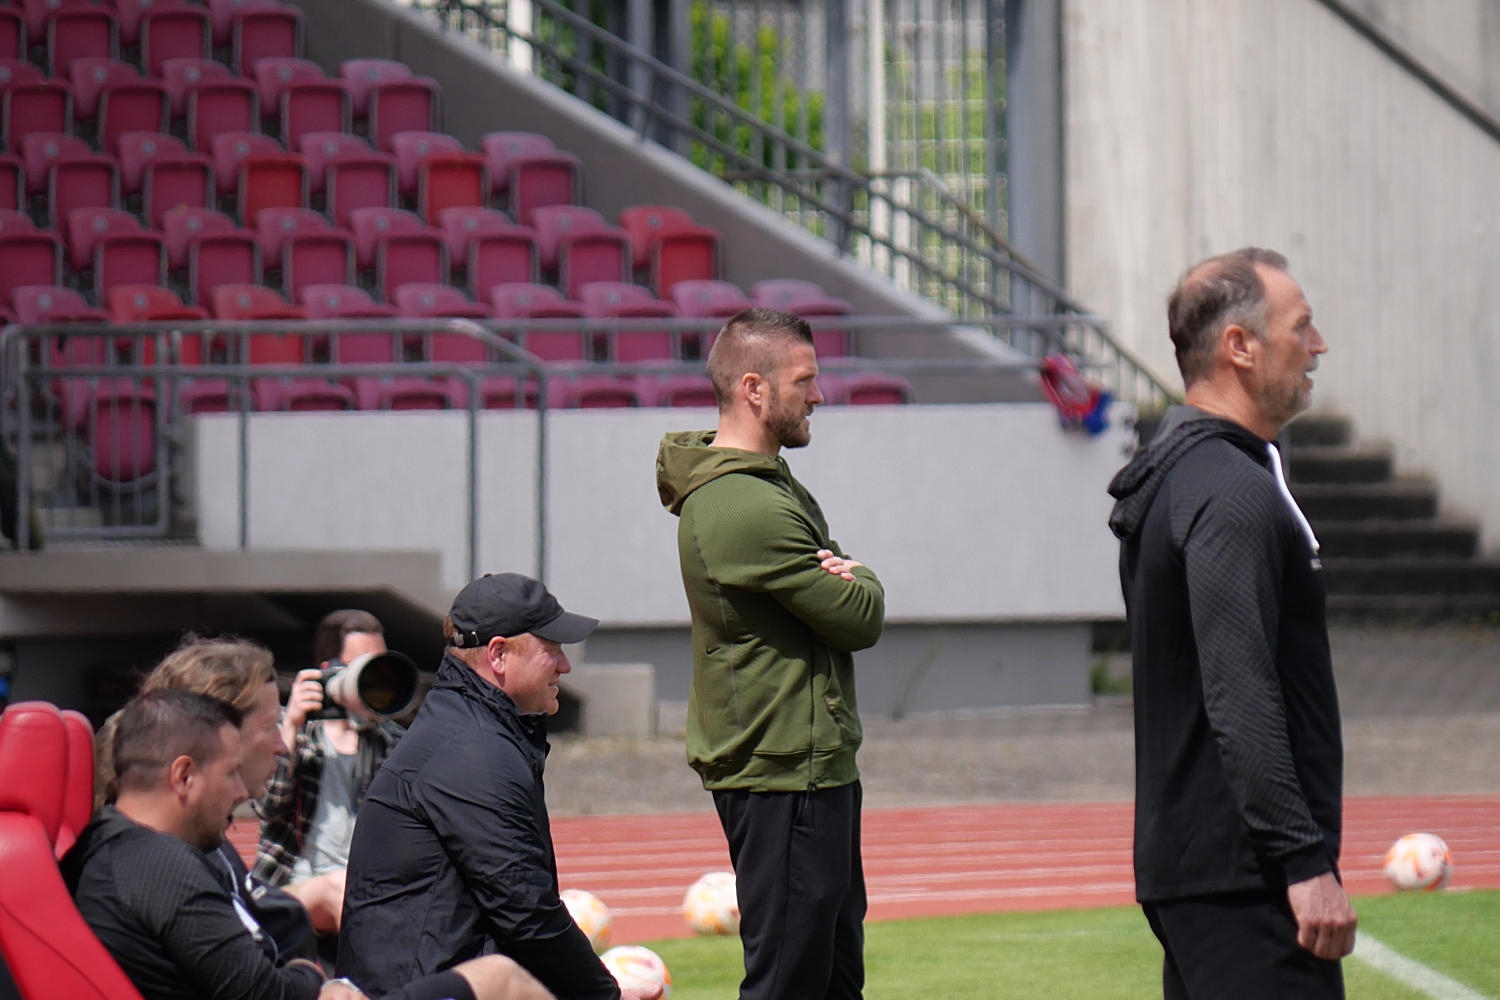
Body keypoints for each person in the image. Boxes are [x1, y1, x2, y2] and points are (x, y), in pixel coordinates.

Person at [1107, 248, 1356, 998]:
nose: (1318, 346)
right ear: (1239, 346)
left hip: (1208, 872)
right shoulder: (1229, 492)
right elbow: (1239, 692)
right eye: (1301, 327)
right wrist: (1302, 861)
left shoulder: (1190, 476)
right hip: (1245, 880)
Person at [655, 307, 886, 1000]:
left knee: (833, 978)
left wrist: (848, 575)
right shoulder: (742, 505)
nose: (820, 395)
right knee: (790, 980)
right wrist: (861, 577)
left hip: (805, 765)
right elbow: (857, 614)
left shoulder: (767, 485)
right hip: (782, 769)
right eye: (805, 380)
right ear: (754, 389)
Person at [67, 688, 556, 1000]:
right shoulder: (162, 869)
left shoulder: (107, 846)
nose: (240, 792)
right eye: (231, 773)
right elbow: (268, 995)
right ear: (183, 776)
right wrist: (312, 974)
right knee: (500, 980)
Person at [338, 574, 660, 1000]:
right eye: (551, 649)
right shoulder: (471, 750)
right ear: (498, 655)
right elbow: (526, 910)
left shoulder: (469, 729)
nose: (564, 665)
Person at [256, 610, 404, 933]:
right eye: (361, 666)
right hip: (291, 885)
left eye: (380, 664)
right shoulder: (289, 729)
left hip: (364, 892)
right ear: (329, 670)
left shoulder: (391, 741)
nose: (374, 676)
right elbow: (268, 806)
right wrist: (291, 726)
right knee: (341, 890)